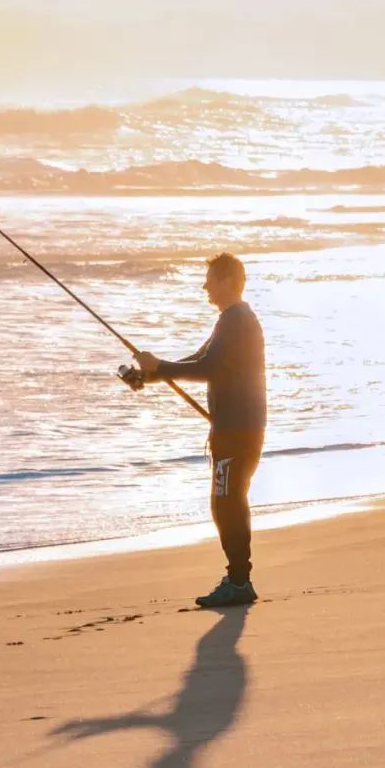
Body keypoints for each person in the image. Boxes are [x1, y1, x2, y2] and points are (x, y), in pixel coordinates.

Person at [134, 252, 267, 608]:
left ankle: (239, 581)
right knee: (227, 500)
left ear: (226, 280)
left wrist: (161, 366)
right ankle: (238, 577)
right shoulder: (233, 319)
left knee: (227, 502)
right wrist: (153, 372)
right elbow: (199, 360)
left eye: (210, 279)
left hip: (236, 430)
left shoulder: (235, 320)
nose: (204, 286)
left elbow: (210, 368)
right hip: (239, 427)